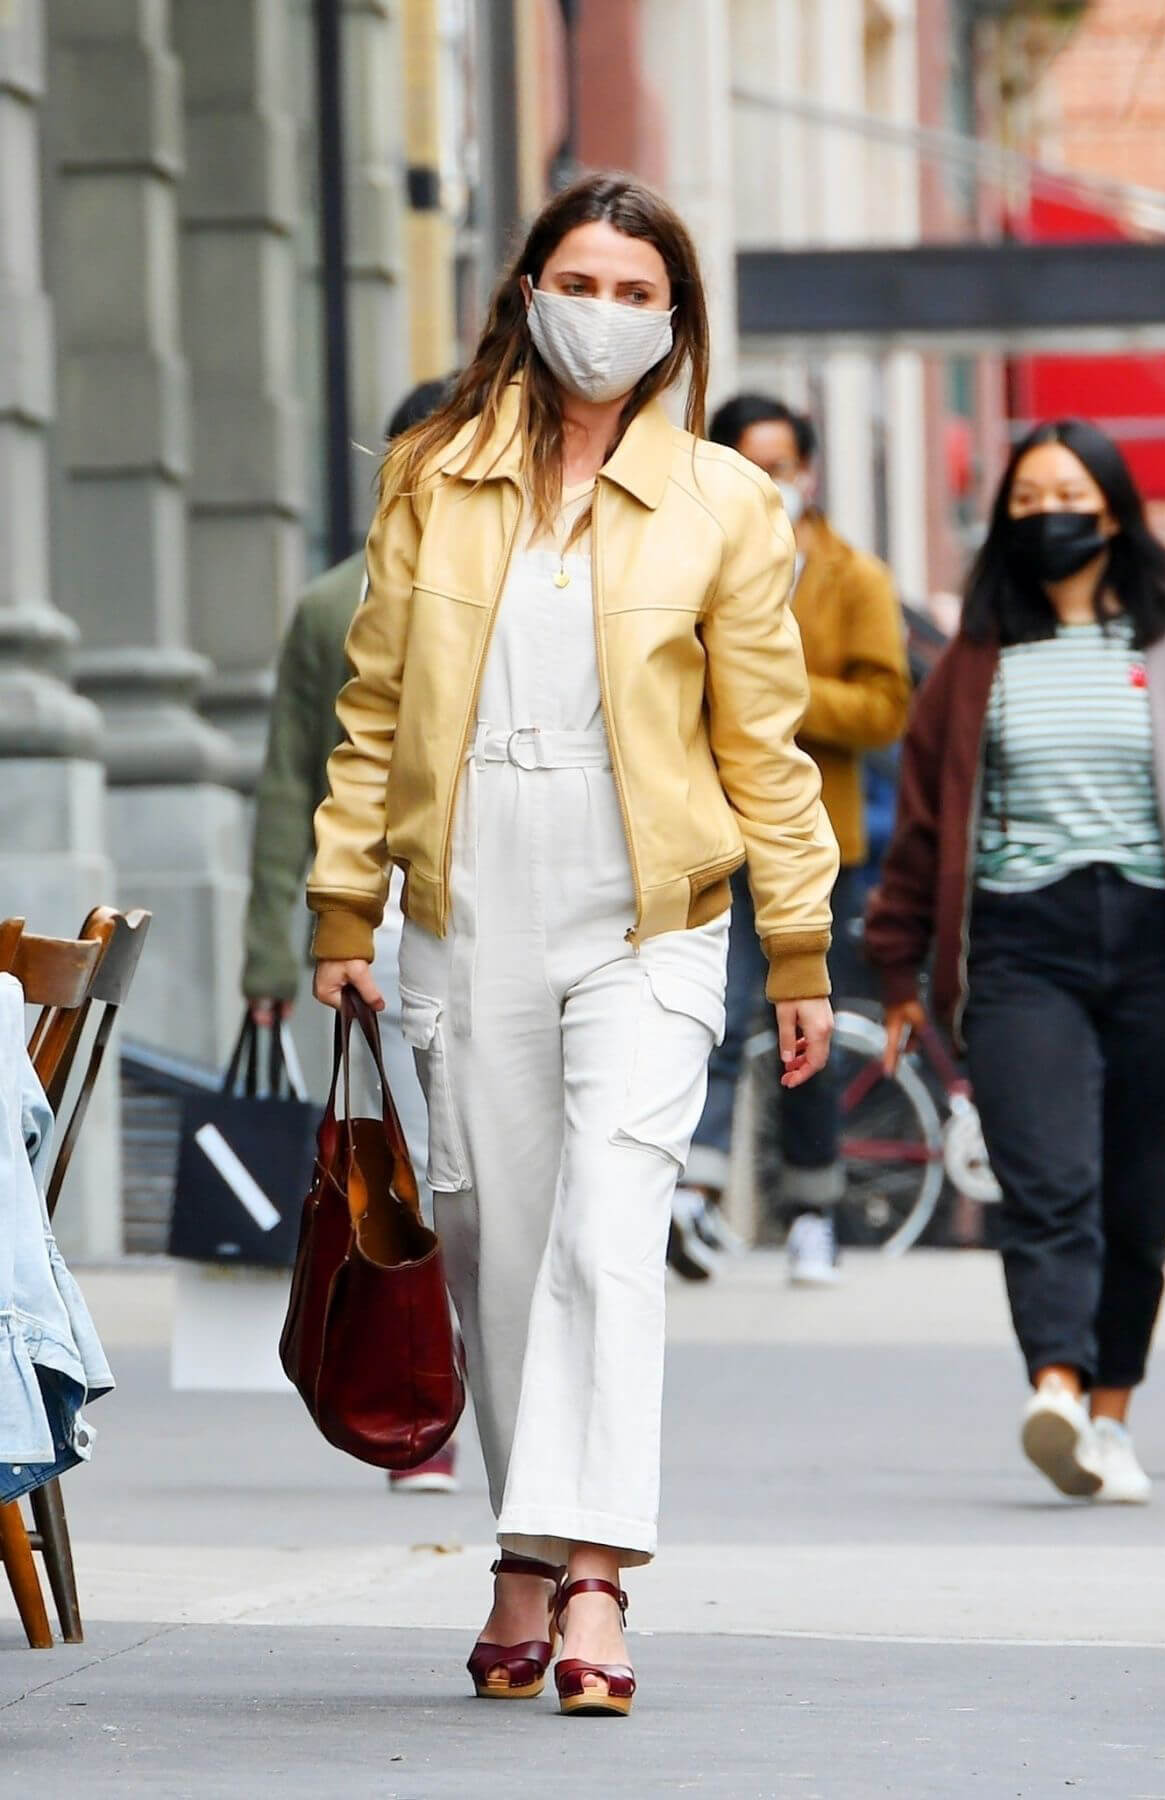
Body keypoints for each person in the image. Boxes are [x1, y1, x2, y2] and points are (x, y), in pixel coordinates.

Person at [305, 172, 838, 1716]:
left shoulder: (727, 503)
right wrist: (348, 902)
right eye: (577, 282)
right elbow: (374, 712)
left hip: (647, 914)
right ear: (525, 292)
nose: (600, 315)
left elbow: (769, 745)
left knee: (610, 1231)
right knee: (500, 1250)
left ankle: (592, 1572)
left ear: (673, 322)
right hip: (468, 900)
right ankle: (524, 1552)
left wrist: (793, 945)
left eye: (632, 291)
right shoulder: (431, 475)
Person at [867, 419, 1165, 1504]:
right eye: (1027, 499)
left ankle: (1112, 1418)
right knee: (1048, 1176)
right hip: (1020, 941)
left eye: (1070, 492)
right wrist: (900, 972)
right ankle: (1055, 1386)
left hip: (1162, 941)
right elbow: (922, 828)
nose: (1048, 512)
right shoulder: (978, 658)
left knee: (1140, 1195)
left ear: (1112, 507)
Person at [241, 375, 458, 1495]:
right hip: (374, 911)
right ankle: (427, 1372)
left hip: (469, 903)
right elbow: (293, 784)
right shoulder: (338, 603)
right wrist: (269, 956)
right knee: (411, 1152)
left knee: (458, 1156)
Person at [671, 395, 909, 1284]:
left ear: (808, 470)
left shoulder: (855, 578)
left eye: (783, 463)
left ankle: (813, 1208)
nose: (772, 482)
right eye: (750, 462)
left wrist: (771, 687)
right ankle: (693, 1193)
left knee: (800, 1022)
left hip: (814, 841)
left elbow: (887, 707)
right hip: (705, 829)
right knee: (717, 1013)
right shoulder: (685, 561)